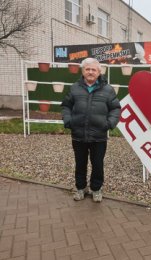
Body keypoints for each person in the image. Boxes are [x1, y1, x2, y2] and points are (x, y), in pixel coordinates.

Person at [61, 58, 121, 202]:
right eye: (87, 69)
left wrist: (109, 123)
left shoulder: (108, 89)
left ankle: (96, 189)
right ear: (83, 71)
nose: (90, 72)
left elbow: (115, 108)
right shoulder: (75, 88)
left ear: (99, 72)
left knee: (97, 164)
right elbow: (66, 106)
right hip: (78, 135)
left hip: (99, 136)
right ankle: (80, 188)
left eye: (93, 69)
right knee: (80, 163)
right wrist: (68, 121)